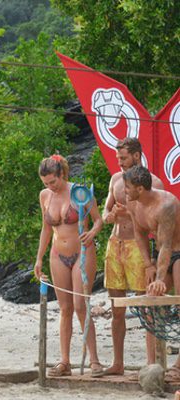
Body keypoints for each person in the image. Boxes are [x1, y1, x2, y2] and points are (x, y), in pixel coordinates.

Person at [34, 154, 103, 377]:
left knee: (81, 306)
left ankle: (94, 361)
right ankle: (65, 361)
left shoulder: (80, 192)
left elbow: (98, 220)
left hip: (82, 252)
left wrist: (92, 232)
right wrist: (38, 258)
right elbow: (46, 229)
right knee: (65, 309)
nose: (50, 187)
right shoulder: (45, 195)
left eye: (53, 182)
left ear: (62, 174)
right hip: (57, 254)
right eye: (46, 183)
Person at [101, 138, 163, 375]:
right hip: (115, 244)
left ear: (137, 156)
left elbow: (158, 220)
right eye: (118, 158)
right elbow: (105, 211)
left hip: (139, 248)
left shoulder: (153, 183)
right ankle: (118, 363)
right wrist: (111, 215)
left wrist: (154, 260)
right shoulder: (116, 180)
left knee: (146, 307)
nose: (120, 163)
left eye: (124, 158)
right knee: (117, 308)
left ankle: (150, 365)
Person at [122, 165, 180, 377]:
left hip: (177, 251)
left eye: (127, 187)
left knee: (179, 302)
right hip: (161, 254)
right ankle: (152, 363)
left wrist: (159, 278)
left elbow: (166, 244)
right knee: (150, 305)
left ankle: (178, 366)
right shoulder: (133, 203)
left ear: (140, 188)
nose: (124, 190)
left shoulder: (166, 204)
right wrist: (148, 264)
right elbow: (139, 233)